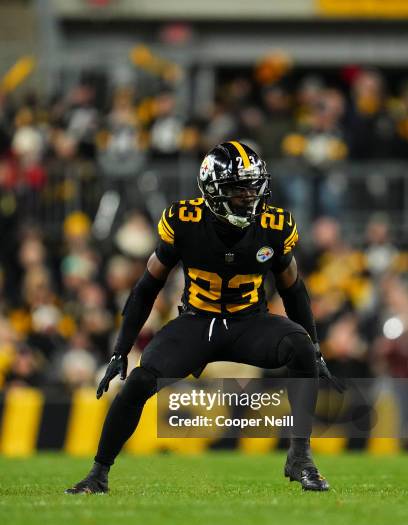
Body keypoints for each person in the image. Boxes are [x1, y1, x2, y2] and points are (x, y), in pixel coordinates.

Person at [65, 141, 343, 495]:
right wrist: (121, 349)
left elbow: (294, 290)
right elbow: (146, 287)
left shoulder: (274, 224)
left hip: (250, 322)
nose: (249, 195)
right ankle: (98, 473)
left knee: (300, 348)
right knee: (138, 382)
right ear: (213, 192)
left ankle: (300, 457)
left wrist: (316, 346)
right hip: (197, 321)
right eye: (239, 189)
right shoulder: (185, 220)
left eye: (253, 186)